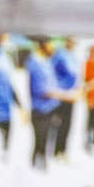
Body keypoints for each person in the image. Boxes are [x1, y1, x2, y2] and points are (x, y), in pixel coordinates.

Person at [25, 38, 68, 170]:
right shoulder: (34, 63)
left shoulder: (46, 61)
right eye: (51, 44)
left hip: (50, 108)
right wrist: (67, 96)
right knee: (40, 141)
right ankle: (36, 168)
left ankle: (41, 166)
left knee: (45, 141)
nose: (53, 48)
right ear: (43, 44)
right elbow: (43, 90)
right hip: (40, 110)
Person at [51, 38, 82, 162]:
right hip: (61, 95)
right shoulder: (59, 54)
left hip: (71, 96)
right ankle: (55, 151)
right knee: (58, 125)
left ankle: (63, 151)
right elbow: (52, 73)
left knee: (68, 125)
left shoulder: (74, 56)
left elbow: (76, 76)